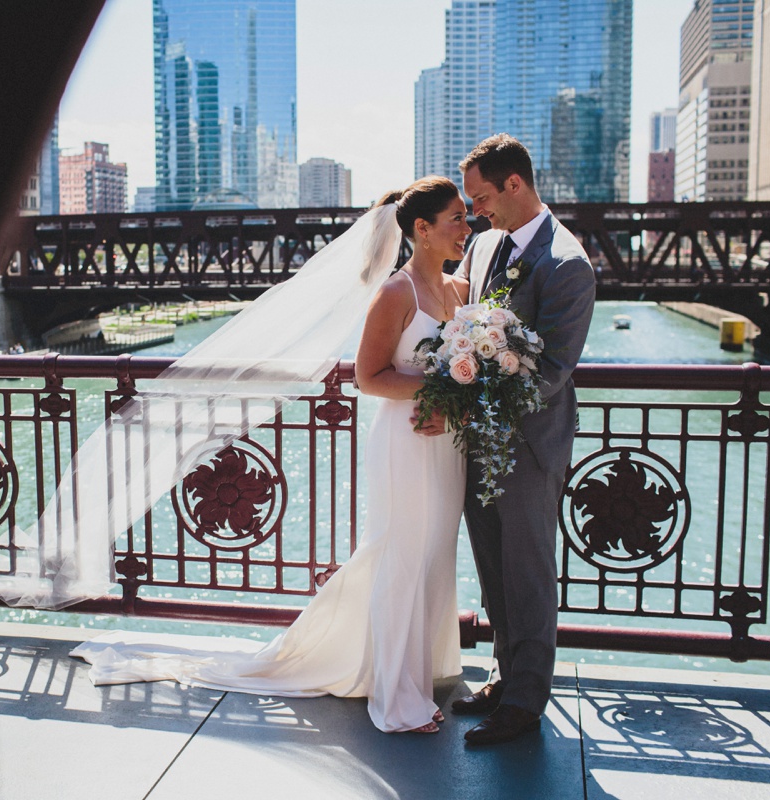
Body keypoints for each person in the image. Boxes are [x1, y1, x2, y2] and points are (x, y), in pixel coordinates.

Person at [70, 177, 474, 734]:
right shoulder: (395, 294)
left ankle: (423, 668)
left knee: (433, 552)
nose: (466, 226)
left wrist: (465, 396)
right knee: (401, 556)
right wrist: (442, 391)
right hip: (404, 443)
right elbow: (368, 378)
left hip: (446, 443)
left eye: (467, 215)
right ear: (422, 230)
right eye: (456, 217)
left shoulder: (461, 290)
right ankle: (396, 699)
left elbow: (470, 368)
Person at [417, 133, 595, 745]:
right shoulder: (487, 244)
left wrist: (471, 389)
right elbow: (458, 307)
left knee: (529, 573)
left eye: (483, 198)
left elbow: (550, 371)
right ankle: (503, 674)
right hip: (482, 441)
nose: (476, 213)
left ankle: (525, 703)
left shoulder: (567, 263)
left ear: (515, 184)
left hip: (530, 444)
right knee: (494, 569)